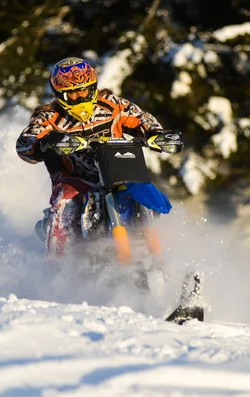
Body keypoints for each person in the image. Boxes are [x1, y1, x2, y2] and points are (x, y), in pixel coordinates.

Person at [16, 56, 180, 258]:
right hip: (76, 181)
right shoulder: (49, 117)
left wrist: (156, 135)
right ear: (60, 95)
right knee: (64, 203)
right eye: (72, 94)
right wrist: (45, 143)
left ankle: (160, 262)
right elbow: (25, 145)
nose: (80, 98)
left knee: (143, 192)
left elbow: (141, 119)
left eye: (84, 91)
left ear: (93, 88)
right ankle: (57, 268)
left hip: (119, 171)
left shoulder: (112, 105)